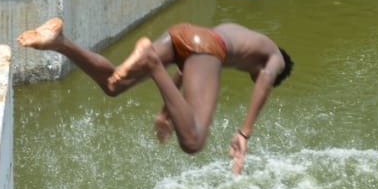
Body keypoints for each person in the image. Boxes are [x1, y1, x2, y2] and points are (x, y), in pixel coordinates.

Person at [18, 17, 293, 174]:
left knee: (113, 84)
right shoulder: (275, 57)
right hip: (207, 47)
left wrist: (165, 113)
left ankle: (59, 41)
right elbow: (267, 79)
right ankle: (151, 61)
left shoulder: (242, 34)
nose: (253, 78)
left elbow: (187, 71)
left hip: (184, 34)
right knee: (193, 140)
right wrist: (244, 133)